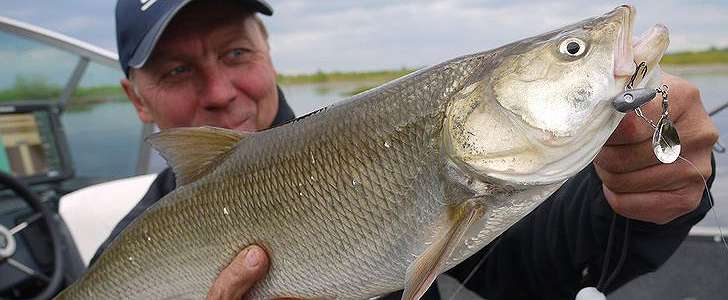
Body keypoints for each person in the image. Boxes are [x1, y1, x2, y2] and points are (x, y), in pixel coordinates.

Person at [91, 0, 719, 299]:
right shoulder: (126, 249)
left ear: (268, 54)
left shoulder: (377, 143)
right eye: (175, 72)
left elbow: (542, 263)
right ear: (137, 98)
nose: (221, 93)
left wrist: (633, 194)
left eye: (235, 53)